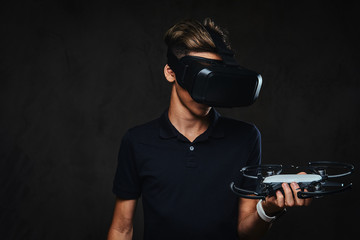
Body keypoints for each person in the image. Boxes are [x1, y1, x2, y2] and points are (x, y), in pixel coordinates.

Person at [107, 18, 311, 240]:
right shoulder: (138, 141)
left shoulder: (245, 137)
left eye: (213, 77)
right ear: (170, 72)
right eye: (199, 76)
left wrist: (269, 210)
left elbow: (246, 231)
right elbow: (121, 229)